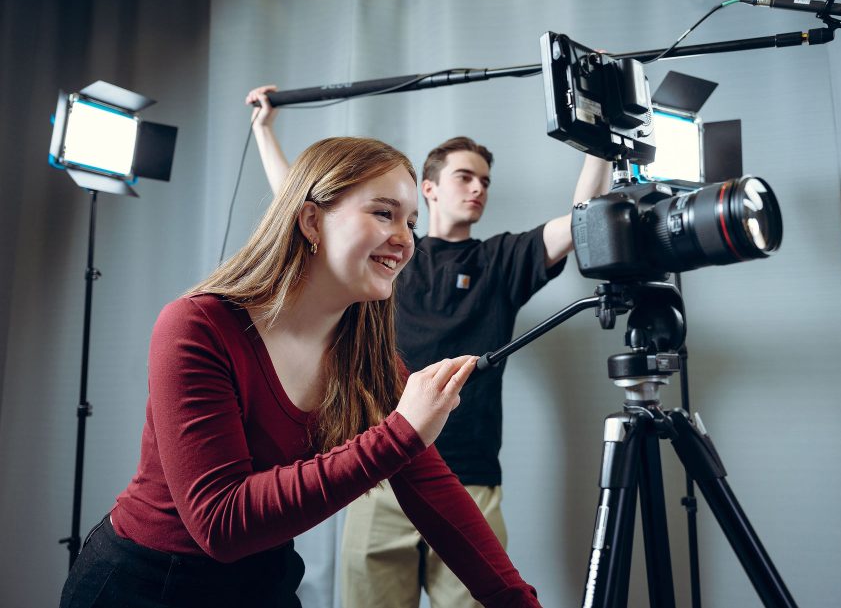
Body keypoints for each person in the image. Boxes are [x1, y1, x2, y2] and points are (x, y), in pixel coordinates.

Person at [59, 136, 542, 608]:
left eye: (411, 222)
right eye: (383, 213)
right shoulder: (197, 326)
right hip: (151, 585)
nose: (404, 239)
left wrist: (519, 601)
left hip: (265, 580)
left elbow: (433, 492)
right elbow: (221, 523)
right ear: (312, 220)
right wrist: (400, 434)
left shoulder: (369, 360)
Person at [246, 86, 610, 608]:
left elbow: (582, 221)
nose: (478, 188)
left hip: (470, 484)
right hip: (378, 477)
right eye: (465, 177)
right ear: (429, 189)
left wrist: (598, 136)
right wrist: (264, 130)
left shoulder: (501, 262)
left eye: (485, 180)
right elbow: (304, 206)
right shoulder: (385, 256)